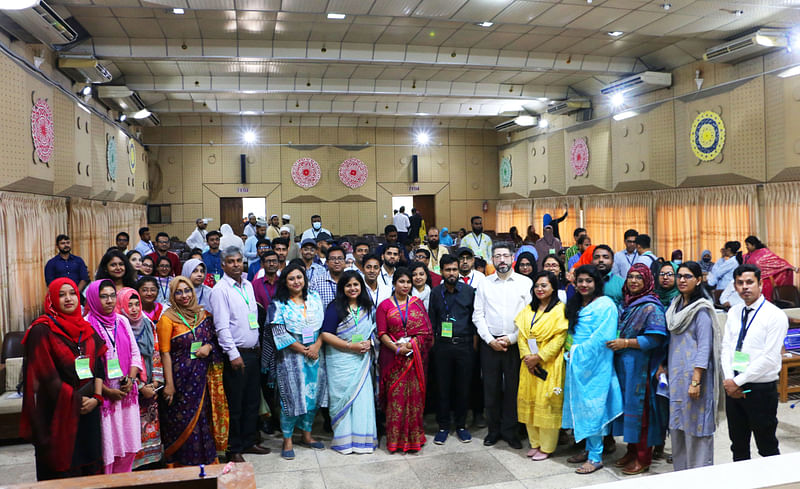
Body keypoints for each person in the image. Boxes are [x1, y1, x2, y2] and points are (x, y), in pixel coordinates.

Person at [21, 278, 106, 480]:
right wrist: (76, 400)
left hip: (89, 410)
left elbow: (99, 368)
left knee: (90, 471)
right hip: (57, 413)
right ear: (51, 299)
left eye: (72, 293)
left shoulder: (87, 329)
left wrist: (96, 398)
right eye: (61, 294)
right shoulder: (41, 330)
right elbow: (46, 376)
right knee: (63, 472)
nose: (68, 298)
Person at [721, 264, 788, 462]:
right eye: (740, 283)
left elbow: (769, 358)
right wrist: (728, 379)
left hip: (759, 389)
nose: (745, 287)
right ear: (734, 286)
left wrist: (737, 382)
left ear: (760, 284)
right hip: (733, 386)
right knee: (738, 445)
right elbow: (726, 347)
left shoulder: (775, 315)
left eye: (750, 282)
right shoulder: (734, 312)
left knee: (766, 445)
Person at [158, 276, 227, 467]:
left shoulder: (203, 314)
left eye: (187, 290)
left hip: (203, 376)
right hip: (180, 380)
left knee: (203, 418)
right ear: (172, 295)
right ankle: (182, 465)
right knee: (182, 421)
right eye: (178, 292)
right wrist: (170, 385)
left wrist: (209, 348)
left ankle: (207, 460)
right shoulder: (167, 319)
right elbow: (165, 353)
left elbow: (214, 340)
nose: (184, 296)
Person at [209, 247, 270, 462]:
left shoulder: (247, 286)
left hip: (253, 352)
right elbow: (222, 327)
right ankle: (233, 448)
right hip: (236, 355)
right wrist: (233, 354)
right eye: (231, 261)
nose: (236, 264)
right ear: (223, 265)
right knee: (235, 403)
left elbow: (252, 319)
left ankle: (249, 441)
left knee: (252, 401)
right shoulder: (220, 290)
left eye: (239, 261)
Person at [606, 264, 668, 475]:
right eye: (630, 277)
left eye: (638, 278)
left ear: (647, 281)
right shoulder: (629, 304)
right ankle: (632, 451)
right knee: (629, 411)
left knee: (642, 414)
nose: (633, 281)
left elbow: (654, 339)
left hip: (641, 368)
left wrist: (625, 343)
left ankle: (644, 458)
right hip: (626, 367)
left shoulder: (651, 306)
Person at [562, 265, 623, 475]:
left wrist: (578, 351)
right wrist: (571, 353)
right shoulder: (577, 303)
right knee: (580, 406)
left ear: (597, 283)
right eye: (580, 281)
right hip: (577, 363)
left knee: (594, 407)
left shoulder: (606, 305)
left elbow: (603, 337)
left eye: (589, 281)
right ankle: (588, 449)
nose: (584, 285)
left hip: (596, 364)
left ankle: (596, 457)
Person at [473, 242, 533, 449]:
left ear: (512, 258)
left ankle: (511, 431)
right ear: (492, 260)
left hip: (515, 344)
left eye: (505, 256)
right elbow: (478, 315)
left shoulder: (525, 283)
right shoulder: (484, 283)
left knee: (514, 389)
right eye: (497, 256)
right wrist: (490, 340)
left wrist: (511, 338)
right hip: (490, 345)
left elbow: (529, 317)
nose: (501, 260)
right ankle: (493, 430)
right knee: (491, 389)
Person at [665, 261, 722, 471]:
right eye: (679, 275)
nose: (681, 280)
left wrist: (696, 381)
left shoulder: (701, 310)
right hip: (676, 377)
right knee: (679, 426)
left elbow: (704, 347)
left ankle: (700, 476)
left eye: (687, 276)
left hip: (695, 380)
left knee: (697, 428)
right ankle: (681, 475)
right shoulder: (675, 306)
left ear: (698, 280)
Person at [84, 279, 142, 474]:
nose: (109, 300)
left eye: (111, 296)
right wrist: (107, 391)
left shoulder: (122, 320)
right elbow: (85, 368)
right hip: (104, 396)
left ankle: (124, 481)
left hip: (126, 393)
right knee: (109, 449)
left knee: (128, 444)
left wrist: (131, 379)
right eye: (103, 296)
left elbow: (135, 354)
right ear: (93, 298)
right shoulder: (86, 325)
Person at [270, 264, 327, 459]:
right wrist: (304, 350)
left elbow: (324, 327)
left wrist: (316, 347)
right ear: (285, 282)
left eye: (299, 277)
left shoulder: (315, 298)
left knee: (312, 397)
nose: (296, 282)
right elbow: (278, 332)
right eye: (292, 278)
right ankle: (287, 440)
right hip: (291, 359)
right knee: (291, 399)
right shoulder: (279, 303)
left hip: (315, 357)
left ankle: (307, 436)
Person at [320, 270, 378, 454]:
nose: (352, 288)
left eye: (356, 285)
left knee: (362, 399)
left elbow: (375, 332)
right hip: (340, 361)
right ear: (342, 288)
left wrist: (370, 343)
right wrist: (349, 346)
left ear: (361, 286)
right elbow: (326, 334)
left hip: (361, 361)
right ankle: (344, 442)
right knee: (343, 399)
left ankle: (363, 441)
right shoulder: (335, 307)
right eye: (348, 285)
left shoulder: (368, 307)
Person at [377, 267, 434, 453]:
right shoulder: (384, 306)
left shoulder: (417, 303)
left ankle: (414, 438)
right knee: (396, 400)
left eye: (408, 282)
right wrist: (397, 349)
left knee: (415, 399)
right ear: (394, 284)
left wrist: (412, 345)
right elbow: (382, 333)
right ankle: (395, 441)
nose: (405, 285)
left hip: (415, 359)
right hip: (393, 359)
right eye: (401, 281)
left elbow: (427, 332)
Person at [514, 271, 568, 461]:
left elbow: (559, 339)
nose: (540, 289)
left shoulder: (560, 310)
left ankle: (546, 447)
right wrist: (527, 357)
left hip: (549, 363)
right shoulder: (529, 309)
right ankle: (535, 443)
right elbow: (521, 336)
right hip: (528, 365)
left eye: (544, 285)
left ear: (553, 287)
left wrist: (539, 356)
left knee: (546, 402)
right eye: (537, 286)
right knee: (530, 401)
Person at [428, 254, 476, 445]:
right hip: (442, 347)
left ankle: (461, 426)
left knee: (463, 388)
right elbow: (432, 321)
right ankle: (443, 427)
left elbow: (475, 320)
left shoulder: (469, 291)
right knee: (442, 388)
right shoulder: (435, 293)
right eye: (448, 270)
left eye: (454, 269)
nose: (452, 273)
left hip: (464, 345)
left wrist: (473, 348)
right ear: (441, 272)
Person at [114, 287, 163, 470]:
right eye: (129, 305)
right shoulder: (118, 327)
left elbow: (156, 352)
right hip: (130, 386)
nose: (134, 309)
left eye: (137, 304)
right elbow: (118, 361)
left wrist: (156, 383)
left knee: (150, 424)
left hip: (150, 384)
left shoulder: (148, 324)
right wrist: (140, 386)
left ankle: (151, 463)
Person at [743, 235, 797, 303]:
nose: (746, 247)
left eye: (748, 245)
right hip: (752, 282)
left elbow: (777, 261)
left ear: (753, 245)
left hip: (764, 282)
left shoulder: (764, 252)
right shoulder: (748, 255)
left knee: (765, 302)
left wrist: (790, 267)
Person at [309, 245, 346, 310]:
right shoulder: (316, 282)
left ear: (345, 261)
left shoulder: (350, 280)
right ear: (327, 262)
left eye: (340, 258)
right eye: (333, 259)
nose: (337, 262)